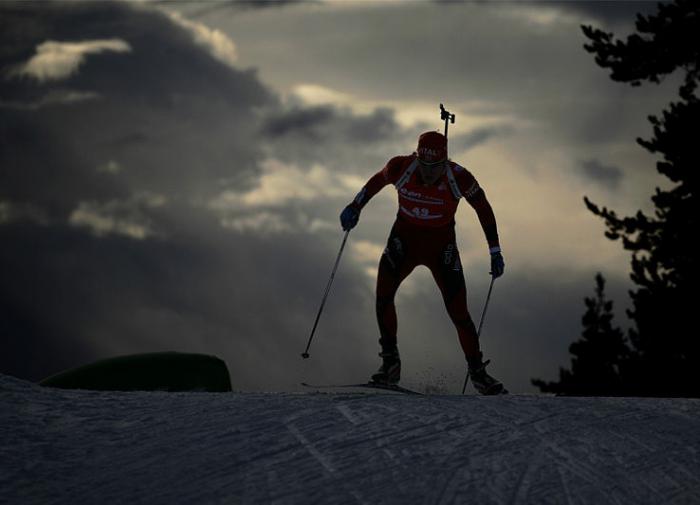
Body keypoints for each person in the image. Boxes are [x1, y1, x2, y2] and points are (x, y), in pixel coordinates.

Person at [339, 131, 506, 395]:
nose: (429, 173)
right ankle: (390, 364)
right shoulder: (401, 166)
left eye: (435, 167)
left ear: (445, 161)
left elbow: (483, 207)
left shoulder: (459, 177)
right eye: (424, 165)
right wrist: (355, 206)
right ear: (417, 157)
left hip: (442, 248)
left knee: (459, 312)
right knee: (383, 295)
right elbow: (376, 182)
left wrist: (495, 250)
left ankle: (478, 373)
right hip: (404, 241)